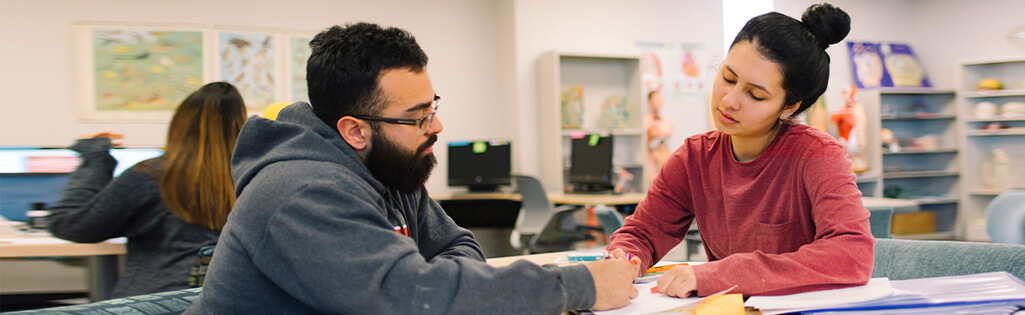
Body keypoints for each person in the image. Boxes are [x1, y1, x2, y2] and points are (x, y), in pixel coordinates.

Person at [187, 23, 638, 314]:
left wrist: (435, 283)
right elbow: (415, 297)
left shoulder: (391, 168)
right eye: (417, 116)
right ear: (355, 130)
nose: (437, 126)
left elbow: (459, 249)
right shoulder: (298, 192)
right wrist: (581, 285)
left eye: (433, 106)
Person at [606, 3, 874, 298]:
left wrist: (717, 275)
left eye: (755, 95)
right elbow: (642, 233)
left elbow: (851, 255)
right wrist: (625, 260)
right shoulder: (694, 157)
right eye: (728, 78)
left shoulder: (818, 155)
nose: (729, 100)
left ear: (789, 106)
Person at [48, 82, 247, 298]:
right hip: (232, 301)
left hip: (155, 302)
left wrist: (95, 159)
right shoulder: (259, 177)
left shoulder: (151, 176)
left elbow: (71, 225)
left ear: (178, 127)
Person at [645, 89, 674, 180]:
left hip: (664, 153)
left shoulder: (665, 121)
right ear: (650, 101)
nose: (659, 103)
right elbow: (652, 133)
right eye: (656, 100)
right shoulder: (646, 120)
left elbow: (668, 131)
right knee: (652, 179)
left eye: (660, 100)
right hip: (651, 155)